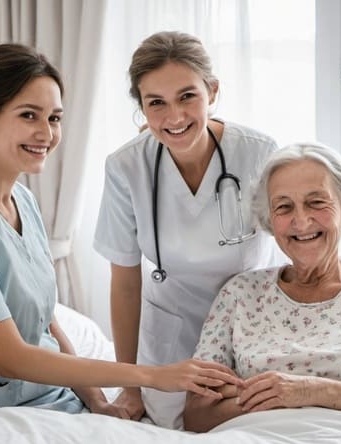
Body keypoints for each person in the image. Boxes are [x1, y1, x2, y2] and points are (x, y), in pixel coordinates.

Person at [0, 43, 241, 415]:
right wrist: (149, 376)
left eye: (54, 118)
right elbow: (9, 357)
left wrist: (97, 401)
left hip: (50, 397)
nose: (46, 133)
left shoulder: (22, 200)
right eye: (29, 115)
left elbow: (46, 323)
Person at [93, 31, 279, 428]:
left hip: (252, 333)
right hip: (171, 344)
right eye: (155, 103)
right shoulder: (126, 167)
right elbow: (125, 281)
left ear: (212, 91)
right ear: (141, 107)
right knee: (178, 427)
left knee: (254, 427)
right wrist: (129, 385)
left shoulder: (259, 153)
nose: (173, 117)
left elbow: (294, 250)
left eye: (187, 96)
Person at [183, 142, 341, 432]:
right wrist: (279, 398)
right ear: (271, 222)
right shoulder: (240, 293)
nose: (301, 221)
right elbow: (197, 414)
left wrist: (311, 391)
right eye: (284, 207)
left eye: (316, 202)